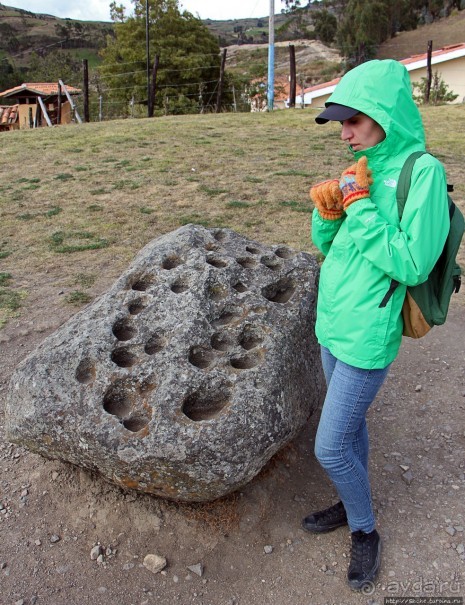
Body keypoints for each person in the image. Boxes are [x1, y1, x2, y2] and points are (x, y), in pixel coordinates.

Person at [303, 59, 450, 591]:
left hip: (369, 334)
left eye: (354, 122)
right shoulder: (360, 168)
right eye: (340, 124)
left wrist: (361, 207)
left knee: (330, 446)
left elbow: (412, 263)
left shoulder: (423, 173)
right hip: (332, 323)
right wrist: (328, 214)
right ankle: (350, 500)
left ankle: (365, 530)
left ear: (385, 116)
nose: (345, 134)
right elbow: (333, 252)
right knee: (351, 429)